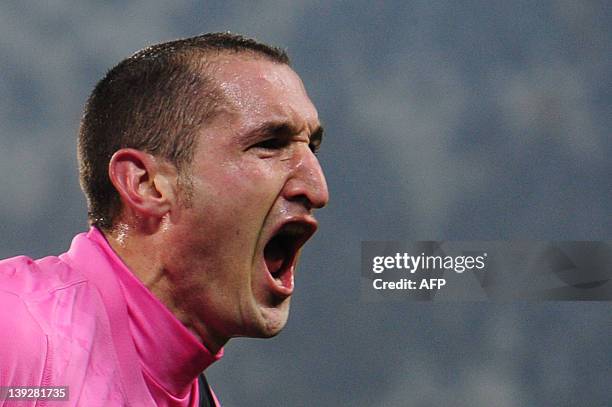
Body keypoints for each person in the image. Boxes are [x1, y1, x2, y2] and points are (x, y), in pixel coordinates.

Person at [0, 32, 329, 406]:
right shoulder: (14, 328)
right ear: (146, 184)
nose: (318, 190)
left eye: (312, 148)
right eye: (269, 144)